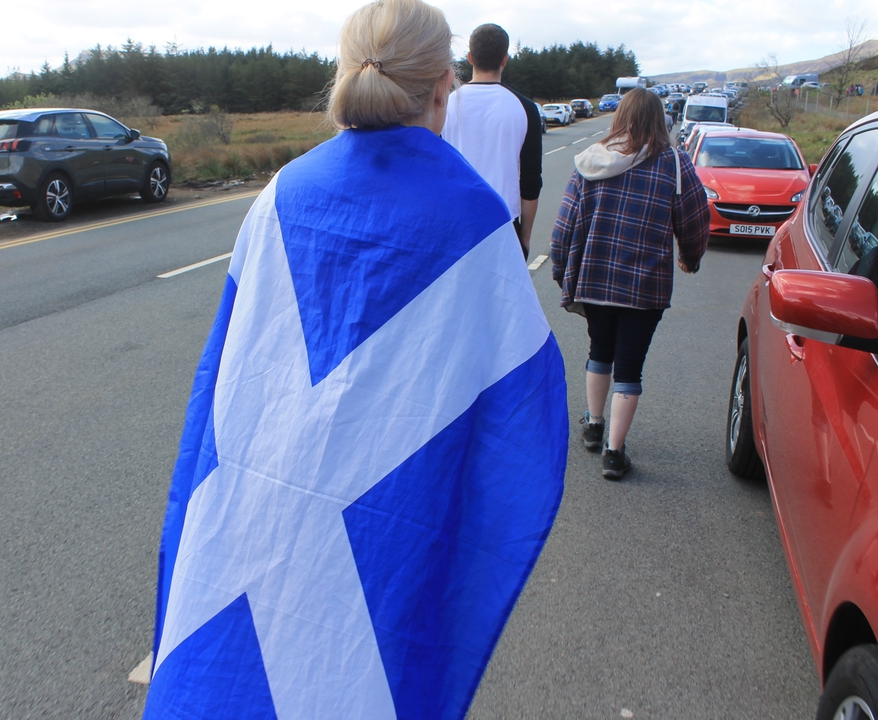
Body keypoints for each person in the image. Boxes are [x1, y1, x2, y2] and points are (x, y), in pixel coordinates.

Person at [143, 1, 569, 717]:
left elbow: (227, 377)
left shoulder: (280, 194)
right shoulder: (473, 222)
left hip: (255, 514)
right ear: (442, 86)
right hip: (380, 531)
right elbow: (517, 420)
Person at [550, 88, 709, 480]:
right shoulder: (673, 163)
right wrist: (691, 256)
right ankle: (614, 453)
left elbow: (564, 224)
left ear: (619, 117)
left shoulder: (590, 162)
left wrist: (560, 269)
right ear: (660, 120)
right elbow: (695, 217)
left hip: (595, 278)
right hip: (645, 284)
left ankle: (594, 424)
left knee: (599, 348)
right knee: (630, 367)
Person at [441, 23, 543, 259]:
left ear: (470, 58)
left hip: (456, 222)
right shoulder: (525, 108)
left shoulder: (446, 105)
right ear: (504, 59)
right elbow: (530, 182)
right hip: (504, 223)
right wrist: (525, 237)